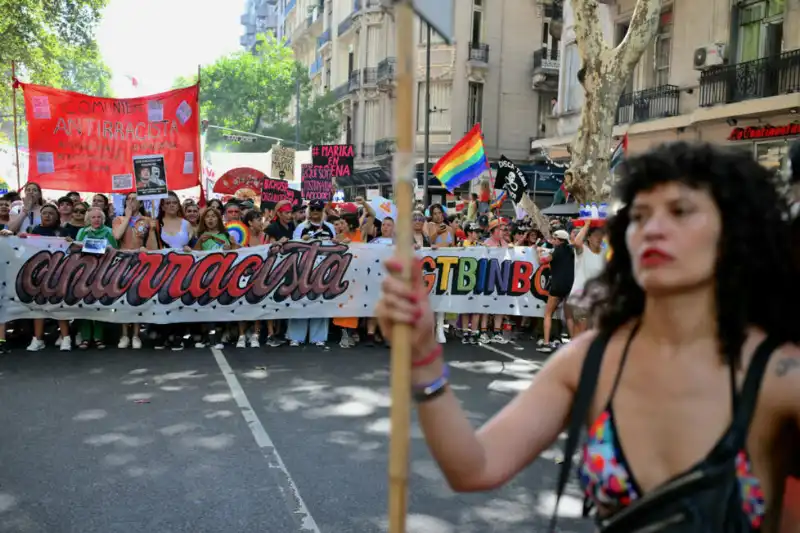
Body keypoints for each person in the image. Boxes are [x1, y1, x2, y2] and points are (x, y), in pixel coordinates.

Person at [375, 141, 800, 530]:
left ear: (736, 232)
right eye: (639, 215)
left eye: (680, 211)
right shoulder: (586, 360)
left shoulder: (780, 375)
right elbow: (473, 468)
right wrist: (424, 360)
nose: (652, 228)